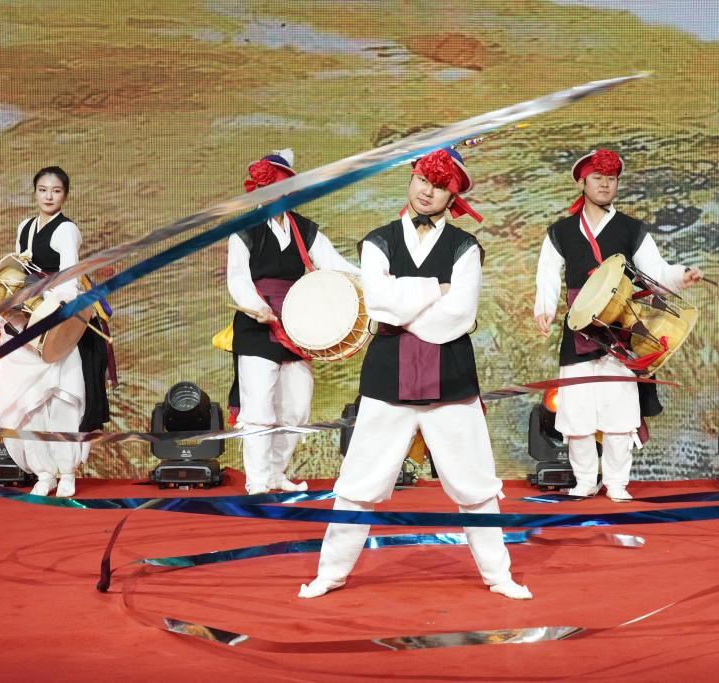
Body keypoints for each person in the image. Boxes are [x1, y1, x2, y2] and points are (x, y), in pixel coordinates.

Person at [299, 148, 532, 600]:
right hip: (388, 377)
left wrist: (404, 307)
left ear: (453, 196)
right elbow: (378, 303)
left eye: (440, 186)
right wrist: (434, 289)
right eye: (423, 180)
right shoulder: (377, 241)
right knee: (359, 481)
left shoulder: (466, 247)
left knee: (475, 483)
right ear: (411, 179)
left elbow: (459, 316)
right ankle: (330, 573)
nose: (428, 191)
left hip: (451, 377)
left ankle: (499, 575)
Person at [533, 149, 702, 501]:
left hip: (620, 328)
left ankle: (616, 483)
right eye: (597, 178)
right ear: (582, 182)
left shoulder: (630, 228)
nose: (605, 185)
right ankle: (583, 481)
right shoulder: (561, 231)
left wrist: (680, 276)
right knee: (577, 412)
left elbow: (656, 270)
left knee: (619, 412)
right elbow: (547, 273)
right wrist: (544, 309)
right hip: (579, 328)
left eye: (611, 179)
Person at [227, 149, 360, 494]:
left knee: (296, 407)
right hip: (258, 325)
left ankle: (276, 473)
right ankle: (257, 480)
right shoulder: (243, 230)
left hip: (297, 323)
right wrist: (256, 306)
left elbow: (334, 263)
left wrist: (373, 279)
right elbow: (238, 278)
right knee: (259, 406)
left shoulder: (303, 228)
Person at [0, 166, 110, 497]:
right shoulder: (25, 227)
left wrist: (46, 308)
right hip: (25, 323)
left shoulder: (66, 230)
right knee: (27, 403)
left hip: (56, 323)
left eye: (56, 191)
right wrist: (13, 307)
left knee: (60, 399)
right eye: (43, 190)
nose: (48, 196)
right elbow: (17, 272)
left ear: (65, 195)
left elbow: (70, 280)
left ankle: (67, 471)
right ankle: (43, 472)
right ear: (35, 192)